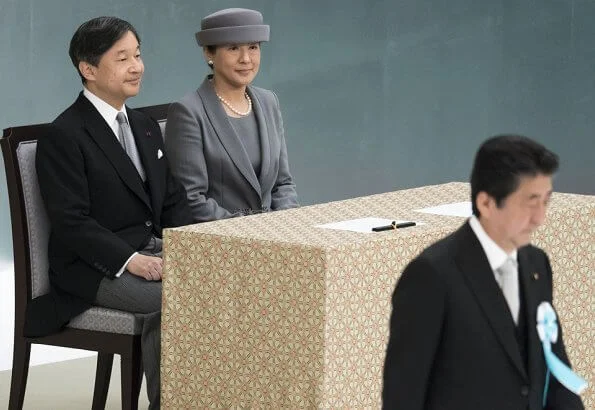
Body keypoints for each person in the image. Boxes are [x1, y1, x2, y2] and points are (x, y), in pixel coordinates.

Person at [35, 16, 192, 409]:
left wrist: (201, 247)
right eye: (122, 58)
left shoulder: (145, 125)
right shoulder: (64, 135)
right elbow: (72, 222)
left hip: (153, 250)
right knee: (175, 300)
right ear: (88, 69)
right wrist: (130, 260)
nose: (136, 66)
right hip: (93, 267)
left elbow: (172, 203)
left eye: (137, 55)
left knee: (223, 283)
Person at [382, 135, 585, 410]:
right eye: (529, 202)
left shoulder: (536, 265)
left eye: (546, 201)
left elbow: (555, 371)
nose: (540, 218)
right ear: (486, 203)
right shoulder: (432, 275)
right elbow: (404, 396)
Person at [165, 8, 299, 222]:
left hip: (276, 239)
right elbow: (192, 199)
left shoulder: (268, 101)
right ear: (209, 53)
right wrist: (250, 232)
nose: (246, 59)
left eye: (253, 47)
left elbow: (283, 184)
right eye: (233, 48)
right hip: (224, 242)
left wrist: (283, 225)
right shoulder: (188, 112)